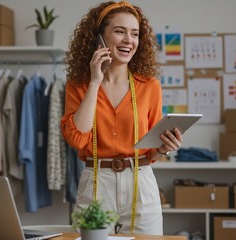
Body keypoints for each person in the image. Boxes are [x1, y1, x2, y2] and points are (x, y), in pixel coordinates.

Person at [61, 1, 182, 235]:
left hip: (141, 181)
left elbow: (152, 151)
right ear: (99, 39)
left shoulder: (150, 86)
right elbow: (77, 139)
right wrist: (95, 82)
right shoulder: (79, 86)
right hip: (97, 182)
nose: (129, 40)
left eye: (134, 34)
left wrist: (165, 148)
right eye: (120, 31)